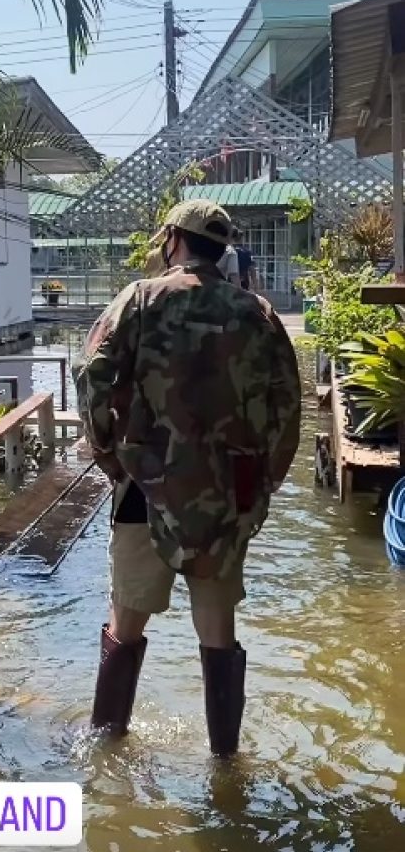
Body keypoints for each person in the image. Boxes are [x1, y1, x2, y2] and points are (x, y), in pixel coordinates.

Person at [74, 199, 301, 756]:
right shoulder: (258, 313)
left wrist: (106, 450)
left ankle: (106, 753)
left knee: (125, 624)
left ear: (174, 239)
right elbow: (289, 407)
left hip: (145, 491)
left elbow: (92, 373)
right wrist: (264, 483)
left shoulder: (142, 299)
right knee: (218, 632)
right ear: (220, 250)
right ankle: (226, 763)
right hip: (226, 498)